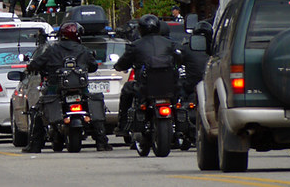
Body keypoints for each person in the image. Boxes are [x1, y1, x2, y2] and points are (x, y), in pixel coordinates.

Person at [24, 23, 111, 152]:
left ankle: (35, 145)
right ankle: (101, 142)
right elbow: (93, 66)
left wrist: (31, 67)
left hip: (55, 87)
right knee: (93, 104)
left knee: (38, 110)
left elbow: (37, 63)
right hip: (81, 88)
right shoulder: (83, 50)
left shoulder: (52, 50)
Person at [114, 14, 181, 136]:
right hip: (169, 87)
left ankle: (122, 125)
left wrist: (119, 66)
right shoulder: (170, 44)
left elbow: (122, 63)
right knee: (181, 97)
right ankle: (180, 125)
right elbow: (181, 58)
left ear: (141, 29)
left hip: (145, 87)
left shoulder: (135, 45)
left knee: (127, 90)